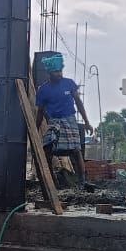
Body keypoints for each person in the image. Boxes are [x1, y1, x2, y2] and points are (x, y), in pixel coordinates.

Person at [34, 53, 93, 186]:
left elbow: (79, 103)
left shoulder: (69, 83)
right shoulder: (43, 90)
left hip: (70, 120)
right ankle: (52, 182)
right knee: (47, 149)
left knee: (76, 150)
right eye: (56, 71)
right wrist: (35, 130)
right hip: (54, 121)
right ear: (49, 73)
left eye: (60, 70)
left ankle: (83, 182)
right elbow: (40, 112)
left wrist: (87, 123)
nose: (59, 74)